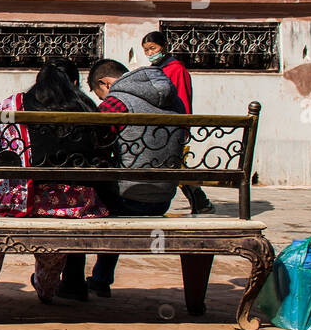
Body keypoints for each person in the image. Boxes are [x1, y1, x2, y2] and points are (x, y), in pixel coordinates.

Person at [0, 63, 109, 304]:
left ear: (38, 83)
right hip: (73, 205)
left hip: (22, 200)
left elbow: (2, 153)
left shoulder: (14, 104)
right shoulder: (86, 107)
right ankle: (46, 287)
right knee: (51, 230)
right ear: (73, 84)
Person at [58, 57, 186, 300]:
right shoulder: (176, 100)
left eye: (99, 95)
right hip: (164, 197)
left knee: (80, 199)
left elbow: (94, 144)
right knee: (111, 197)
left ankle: (72, 284)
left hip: (128, 197)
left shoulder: (117, 102)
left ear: (105, 84)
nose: (101, 101)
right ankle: (101, 279)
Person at [141, 30, 216, 215]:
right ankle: (200, 202)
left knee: (175, 165)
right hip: (159, 125)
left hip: (172, 124)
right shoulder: (157, 69)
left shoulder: (176, 69)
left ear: (164, 47)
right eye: (146, 50)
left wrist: (183, 124)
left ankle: (200, 201)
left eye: (153, 48)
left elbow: (182, 98)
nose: (150, 53)